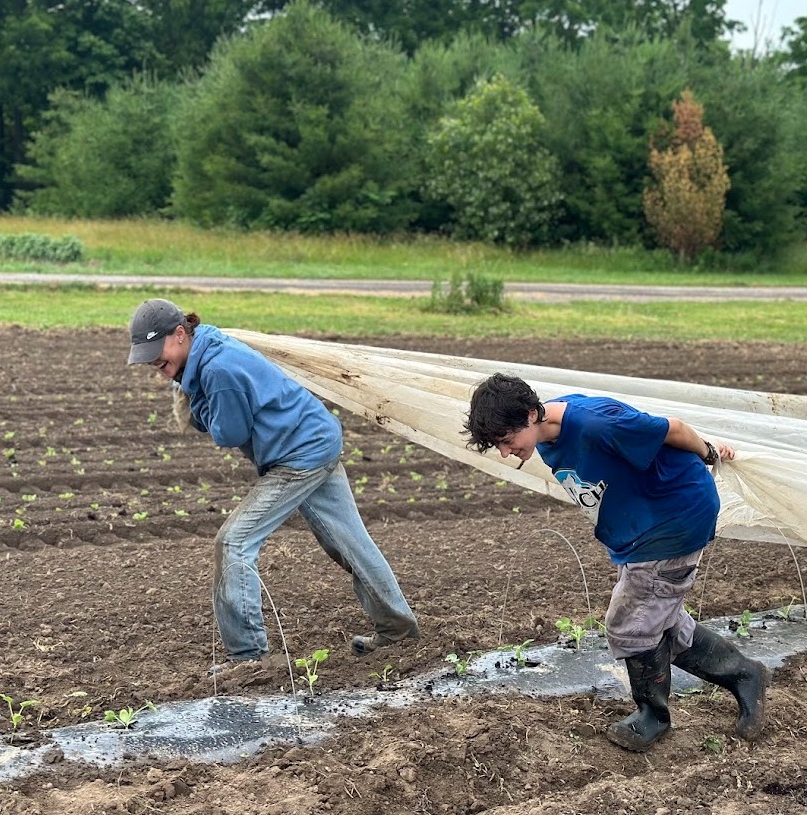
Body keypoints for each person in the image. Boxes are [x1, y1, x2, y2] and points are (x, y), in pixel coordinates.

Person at [464, 373, 769, 751]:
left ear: (531, 414)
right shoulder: (547, 430)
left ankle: (652, 717)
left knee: (629, 625)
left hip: (674, 519)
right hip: (643, 526)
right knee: (661, 619)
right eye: (498, 446)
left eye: (508, 442)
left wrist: (707, 451)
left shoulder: (596, 423)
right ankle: (744, 675)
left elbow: (671, 429)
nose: (506, 453)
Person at [126, 298, 419, 672]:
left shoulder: (216, 371)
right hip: (317, 439)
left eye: (156, 352)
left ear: (180, 334)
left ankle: (248, 657)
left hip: (298, 456)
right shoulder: (210, 346)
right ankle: (398, 631)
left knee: (234, 542)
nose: (153, 363)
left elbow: (228, 432)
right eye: (147, 356)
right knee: (350, 543)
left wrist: (195, 406)